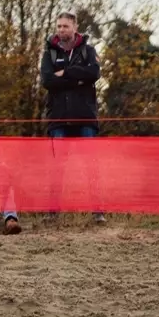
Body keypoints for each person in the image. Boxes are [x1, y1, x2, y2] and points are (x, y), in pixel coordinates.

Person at [41, 12, 106, 223]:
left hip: (85, 116)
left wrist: (65, 73)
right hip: (58, 118)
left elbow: (94, 73)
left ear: (75, 27)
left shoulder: (88, 50)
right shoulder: (49, 52)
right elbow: (47, 80)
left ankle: (98, 212)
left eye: (65, 26)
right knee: (56, 167)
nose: (61, 30)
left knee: (91, 166)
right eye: (58, 26)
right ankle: (52, 212)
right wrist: (77, 77)